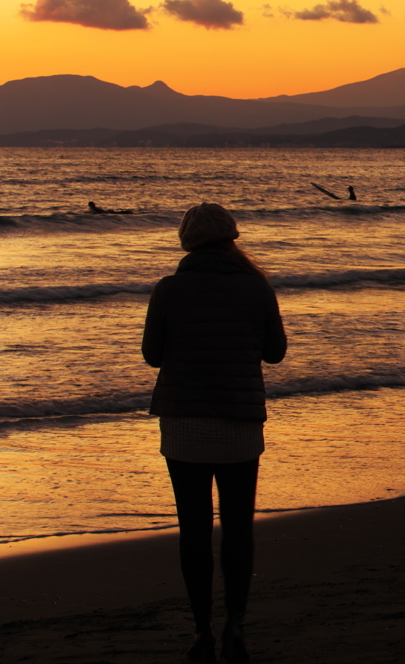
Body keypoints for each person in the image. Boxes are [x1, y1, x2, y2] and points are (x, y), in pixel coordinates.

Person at [142, 203, 287, 664]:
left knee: (194, 529)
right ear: (232, 239)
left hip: (184, 422)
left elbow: (151, 355)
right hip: (240, 420)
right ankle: (237, 625)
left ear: (187, 242)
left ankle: (201, 630)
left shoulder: (169, 289)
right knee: (238, 528)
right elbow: (276, 352)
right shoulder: (256, 288)